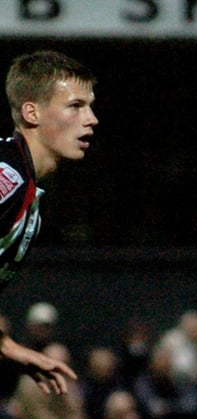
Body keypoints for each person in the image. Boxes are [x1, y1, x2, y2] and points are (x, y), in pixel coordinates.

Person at [0, 50, 98, 394]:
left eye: (90, 106)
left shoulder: (25, 186)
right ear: (32, 112)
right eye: (75, 106)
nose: (91, 119)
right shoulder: (6, 178)